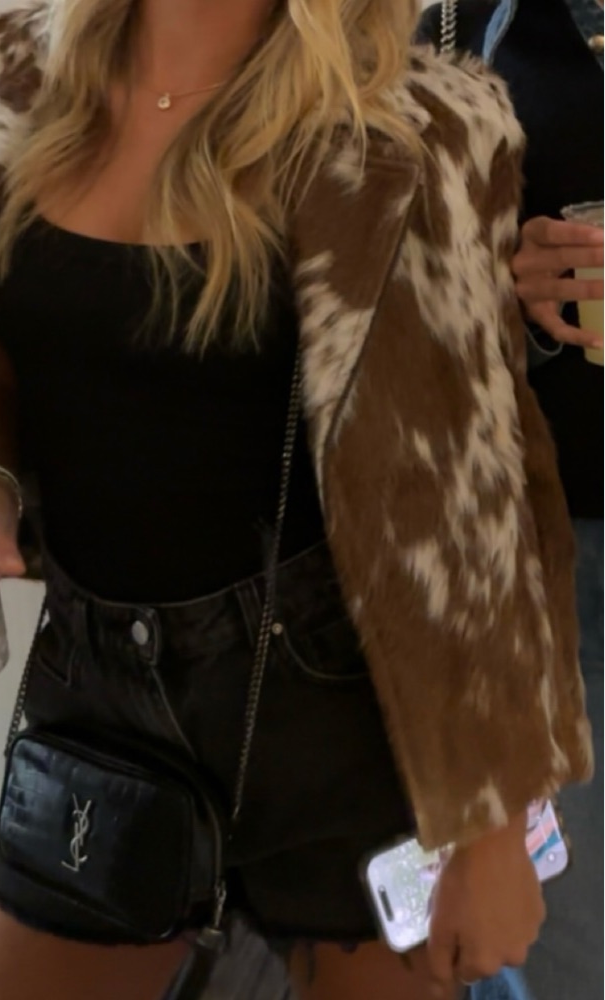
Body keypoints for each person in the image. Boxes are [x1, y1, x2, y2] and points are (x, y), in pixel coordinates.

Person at [0, 1, 593, 998]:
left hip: (341, 702)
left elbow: (473, 490)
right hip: (96, 684)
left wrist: (490, 825)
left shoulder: (418, 123)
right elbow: (3, 368)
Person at [418, 3, 603, 999]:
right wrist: (506, 289)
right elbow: (402, 312)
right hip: (548, 546)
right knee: (557, 938)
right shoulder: (455, 30)